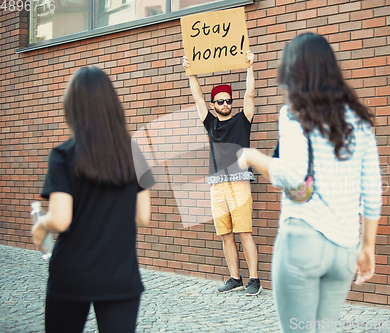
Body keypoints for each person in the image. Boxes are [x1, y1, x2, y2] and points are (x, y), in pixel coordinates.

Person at [238, 33, 382, 332]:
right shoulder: (359, 121)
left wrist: (252, 156)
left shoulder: (294, 112)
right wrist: (367, 247)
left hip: (303, 240)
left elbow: (292, 174)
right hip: (345, 247)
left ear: (292, 71)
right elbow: (372, 189)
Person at [31, 67, 155, 333]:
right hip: (120, 275)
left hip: (71, 274)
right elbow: (143, 216)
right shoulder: (134, 152)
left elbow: (60, 220)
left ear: (72, 107)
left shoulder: (63, 155)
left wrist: (40, 225)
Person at [182, 50, 261, 296]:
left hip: (239, 183)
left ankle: (254, 280)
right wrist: (190, 72)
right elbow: (197, 97)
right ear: (214, 105)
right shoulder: (210, 123)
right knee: (225, 233)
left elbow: (250, 93)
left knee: (243, 232)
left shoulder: (242, 120)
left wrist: (250, 66)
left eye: (228, 100)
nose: (226, 104)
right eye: (221, 101)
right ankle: (234, 278)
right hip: (217, 185)